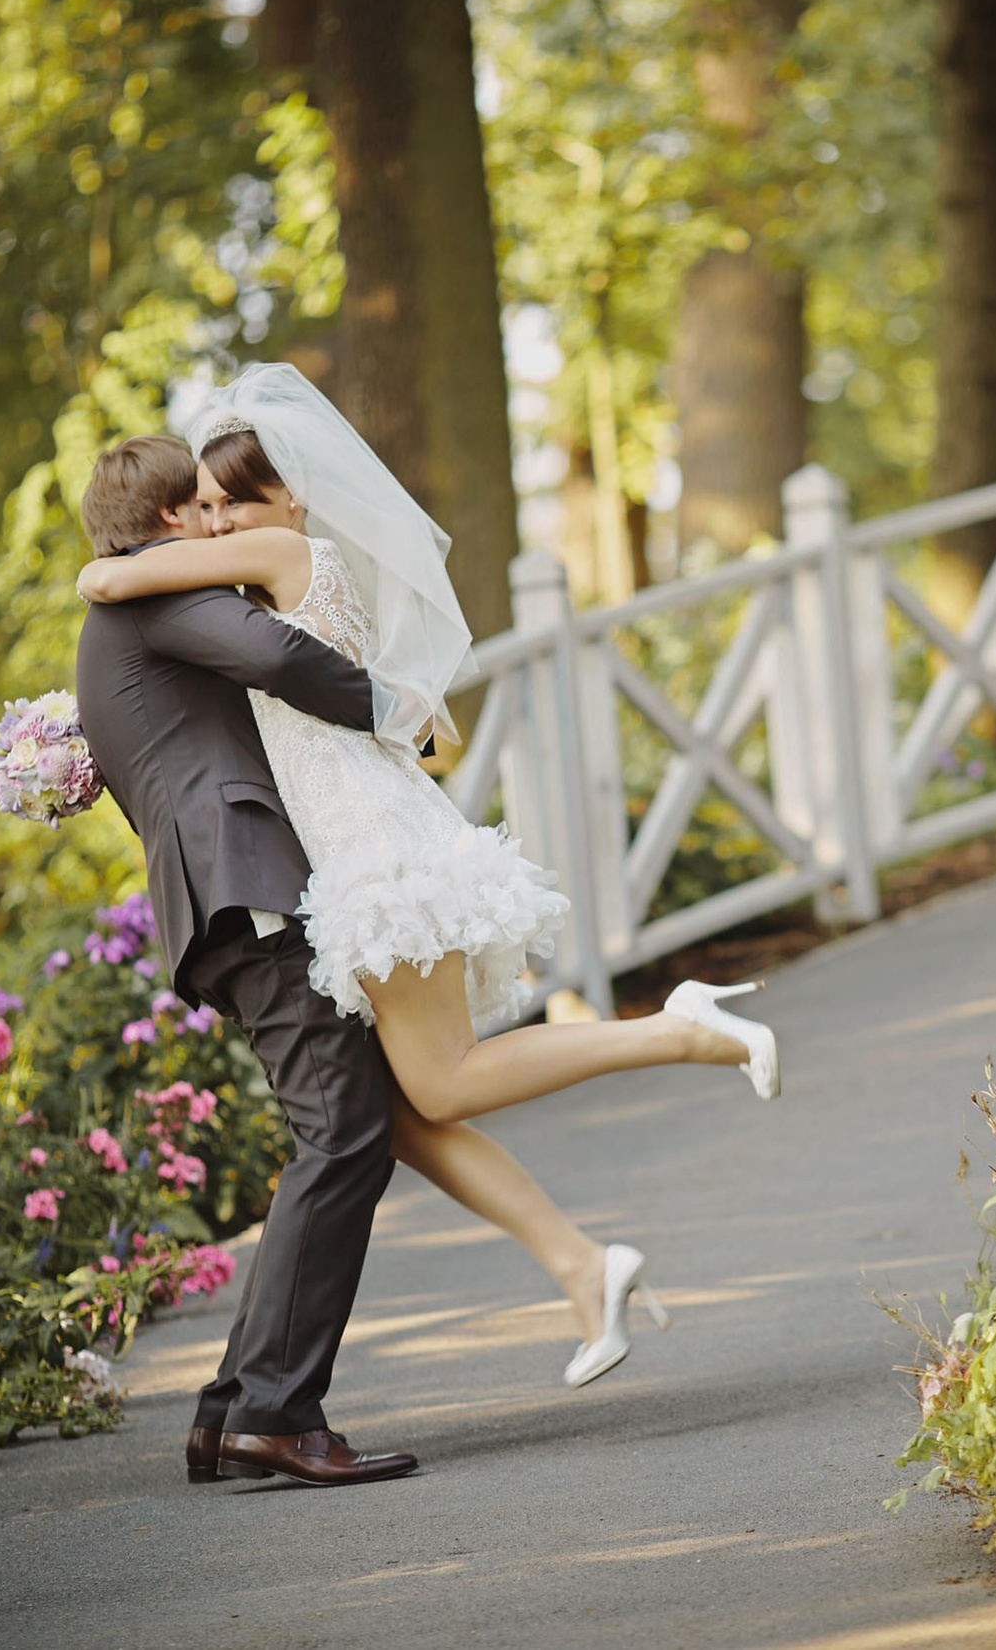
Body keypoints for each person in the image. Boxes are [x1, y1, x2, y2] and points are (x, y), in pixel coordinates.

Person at [75, 364, 782, 1391]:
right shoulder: (243, 576)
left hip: (369, 841)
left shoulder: (277, 550)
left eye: (232, 501)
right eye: (207, 505)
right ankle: (585, 1267)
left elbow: (116, 582)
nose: (220, 523)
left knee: (441, 1078)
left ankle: (683, 1027)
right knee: (403, 1108)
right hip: (353, 836)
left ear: (290, 496)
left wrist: (107, 571)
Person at [73, 434, 418, 1487]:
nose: (222, 525)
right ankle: (277, 1410)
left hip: (220, 895)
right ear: (173, 520)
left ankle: (232, 1408)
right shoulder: (156, 600)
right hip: (243, 883)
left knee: (339, 1123)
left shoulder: (120, 608)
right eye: (206, 509)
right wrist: (391, 705)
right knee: (346, 1128)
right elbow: (274, 655)